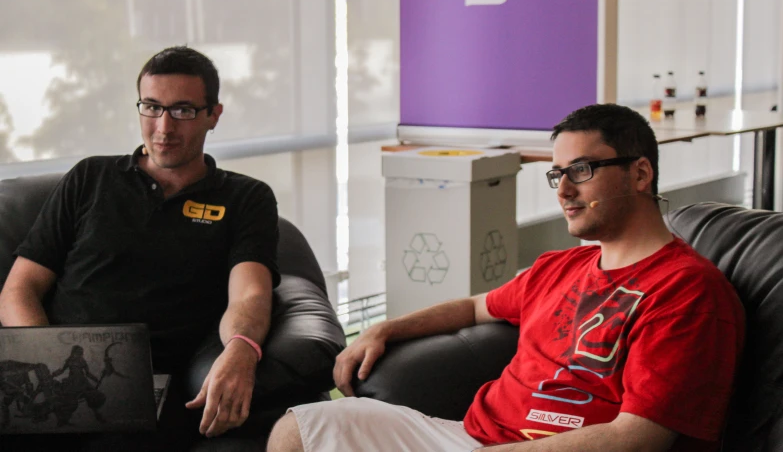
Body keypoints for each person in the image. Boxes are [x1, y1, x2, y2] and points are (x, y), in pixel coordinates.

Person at [266, 104, 745, 452]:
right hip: (469, 438)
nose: (565, 190)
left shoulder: (686, 291)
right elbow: (475, 307)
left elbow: (638, 436)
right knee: (299, 432)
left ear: (640, 174)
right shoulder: (560, 267)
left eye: (582, 169)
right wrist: (383, 329)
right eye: (557, 174)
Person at [0, 46, 280, 450]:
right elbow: (19, 289)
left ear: (213, 115)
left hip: (142, 389)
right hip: (50, 376)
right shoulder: (89, 178)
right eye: (151, 107)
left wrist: (242, 350)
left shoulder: (245, 199)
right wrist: (46, 369)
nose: (163, 127)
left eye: (182, 110)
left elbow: (251, 293)